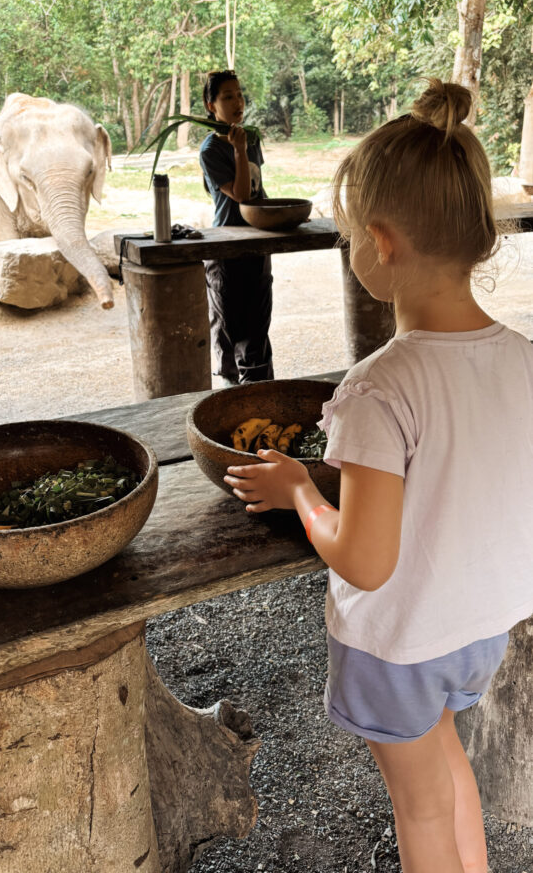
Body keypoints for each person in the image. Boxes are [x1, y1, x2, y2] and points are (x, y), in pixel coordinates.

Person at [224, 79, 533, 872]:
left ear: (383, 243)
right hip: (480, 627)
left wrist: (300, 490)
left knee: (419, 806)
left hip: (400, 641)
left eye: (349, 232)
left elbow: (365, 559)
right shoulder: (524, 359)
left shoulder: (377, 388)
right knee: (446, 763)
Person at [199, 69, 274, 384]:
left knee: (258, 326)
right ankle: (236, 397)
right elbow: (241, 195)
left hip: (256, 243)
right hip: (228, 248)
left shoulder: (250, 137)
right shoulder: (211, 150)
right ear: (210, 105)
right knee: (234, 328)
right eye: (227, 97)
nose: (237, 101)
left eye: (239, 94)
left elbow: (257, 190)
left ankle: (263, 394)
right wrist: (239, 150)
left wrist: (280, 214)